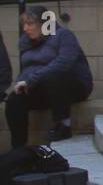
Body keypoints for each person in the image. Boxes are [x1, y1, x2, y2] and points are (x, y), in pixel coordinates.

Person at [5, 8, 94, 148]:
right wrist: (22, 84)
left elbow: (63, 64)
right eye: (24, 24)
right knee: (14, 100)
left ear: (44, 24)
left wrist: (30, 81)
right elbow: (27, 68)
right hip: (43, 88)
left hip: (72, 86)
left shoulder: (63, 35)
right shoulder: (26, 42)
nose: (25, 28)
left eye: (30, 24)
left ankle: (64, 125)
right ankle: (18, 148)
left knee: (51, 75)